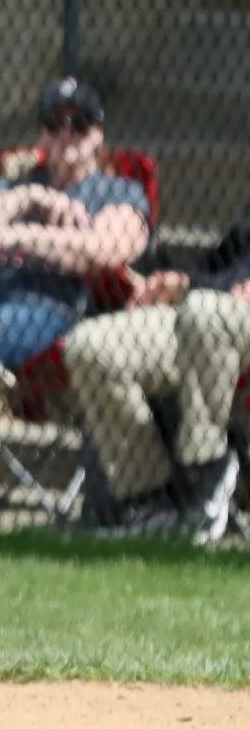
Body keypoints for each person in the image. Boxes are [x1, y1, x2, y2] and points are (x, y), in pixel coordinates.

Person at [0, 77, 151, 513]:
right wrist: (29, 196)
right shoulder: (19, 188)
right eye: (53, 124)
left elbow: (104, 249)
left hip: (52, 314)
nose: (65, 135)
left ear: (98, 134)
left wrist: (12, 235)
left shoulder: (118, 192)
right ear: (40, 133)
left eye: (78, 124)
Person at [63, 208, 250, 543]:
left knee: (205, 311)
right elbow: (225, 267)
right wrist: (173, 284)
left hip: (220, 315)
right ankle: (148, 503)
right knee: (90, 346)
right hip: (208, 310)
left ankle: (205, 471)